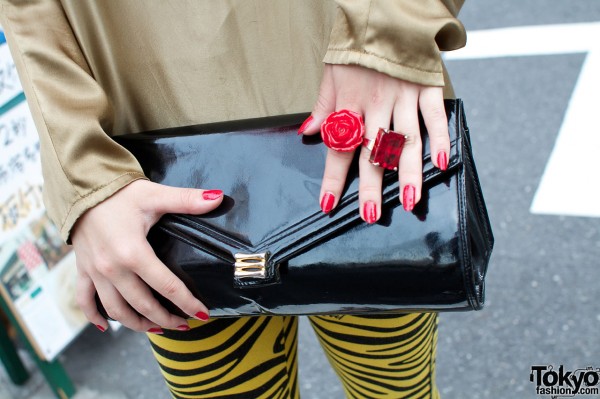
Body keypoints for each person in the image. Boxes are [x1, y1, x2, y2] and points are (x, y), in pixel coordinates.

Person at [0, 1, 466, 397]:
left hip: (365, 129)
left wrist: (390, 31)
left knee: (397, 388)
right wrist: (86, 173)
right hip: (158, 194)